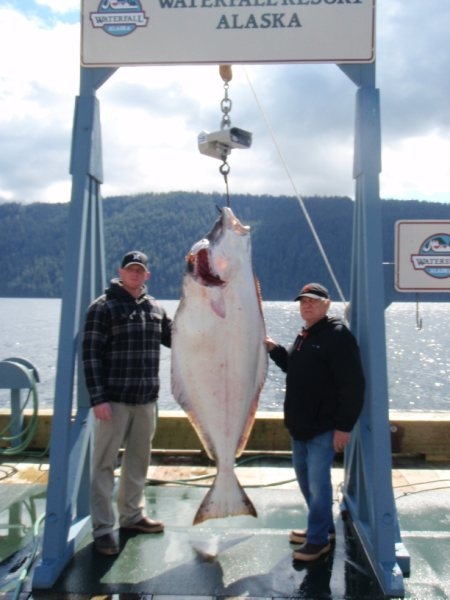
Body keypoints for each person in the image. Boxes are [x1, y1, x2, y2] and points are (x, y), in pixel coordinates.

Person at [265, 282, 365, 562]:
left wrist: (344, 427)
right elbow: (294, 367)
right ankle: (323, 528)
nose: (306, 306)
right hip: (300, 427)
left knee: (319, 486)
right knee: (307, 482)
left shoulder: (338, 336)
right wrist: (274, 349)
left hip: (323, 428)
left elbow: (353, 386)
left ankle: (318, 541)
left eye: (313, 301)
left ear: (327, 304)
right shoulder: (305, 335)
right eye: (303, 301)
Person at [82, 250, 172, 556]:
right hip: (114, 402)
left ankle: (132, 516)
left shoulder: (155, 307)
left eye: (140, 270)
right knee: (104, 465)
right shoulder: (102, 307)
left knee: (138, 461)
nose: (135, 274)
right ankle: (103, 528)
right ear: (120, 272)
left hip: (146, 401)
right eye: (130, 269)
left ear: (147, 275)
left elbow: (178, 338)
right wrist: (98, 399)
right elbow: (91, 355)